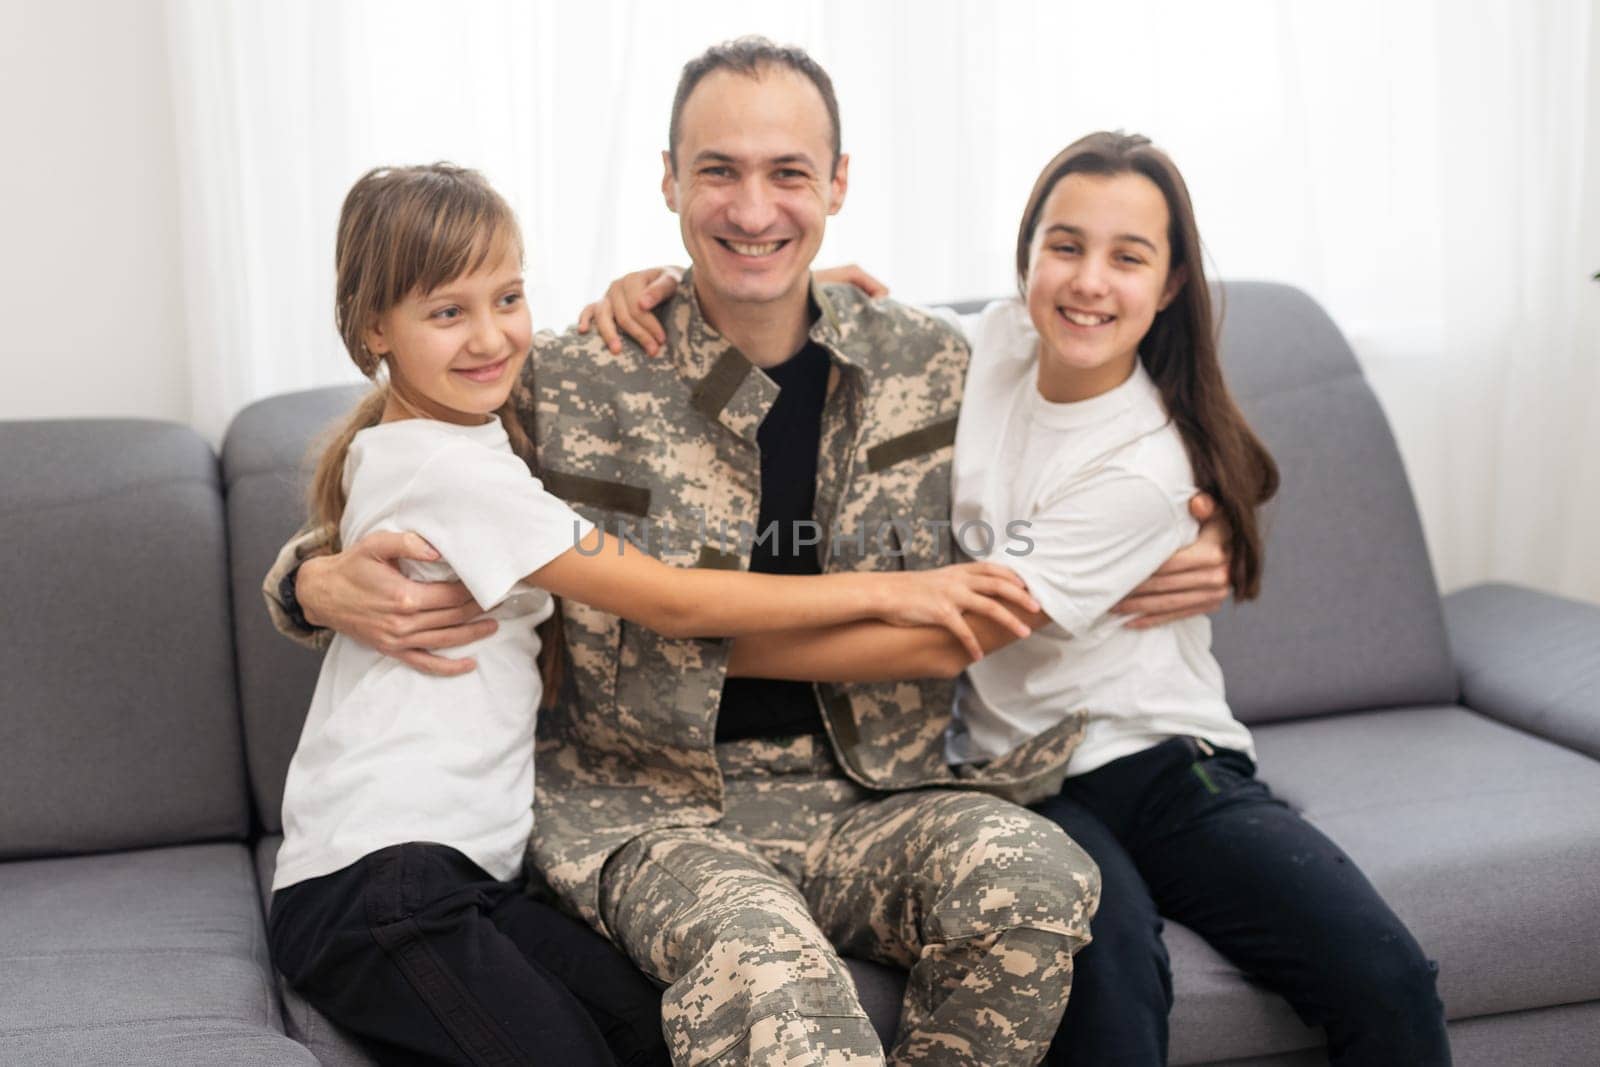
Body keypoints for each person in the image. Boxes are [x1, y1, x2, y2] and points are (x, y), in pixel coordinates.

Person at [265, 40, 1226, 1066]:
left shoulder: (934, 359)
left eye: (788, 175)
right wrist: (309, 582)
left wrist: (1197, 525)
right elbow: (404, 464)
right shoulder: (570, 370)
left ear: (837, 185)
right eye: (718, 170)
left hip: (872, 796)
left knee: (1040, 878)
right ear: (669, 179)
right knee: (772, 984)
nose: (753, 209)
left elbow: (1099, 402)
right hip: (645, 807)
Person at [589, 130, 1453, 1066]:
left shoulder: (1150, 464)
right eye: (1066, 245)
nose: (1088, 281)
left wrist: (699, 639)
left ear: (1167, 287)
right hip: (1019, 773)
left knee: (1385, 972)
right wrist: (669, 283)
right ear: (1028, 255)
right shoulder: (988, 341)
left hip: (1161, 761)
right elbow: (828, 309)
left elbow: (948, 639)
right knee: (1106, 973)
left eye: (1129, 258)